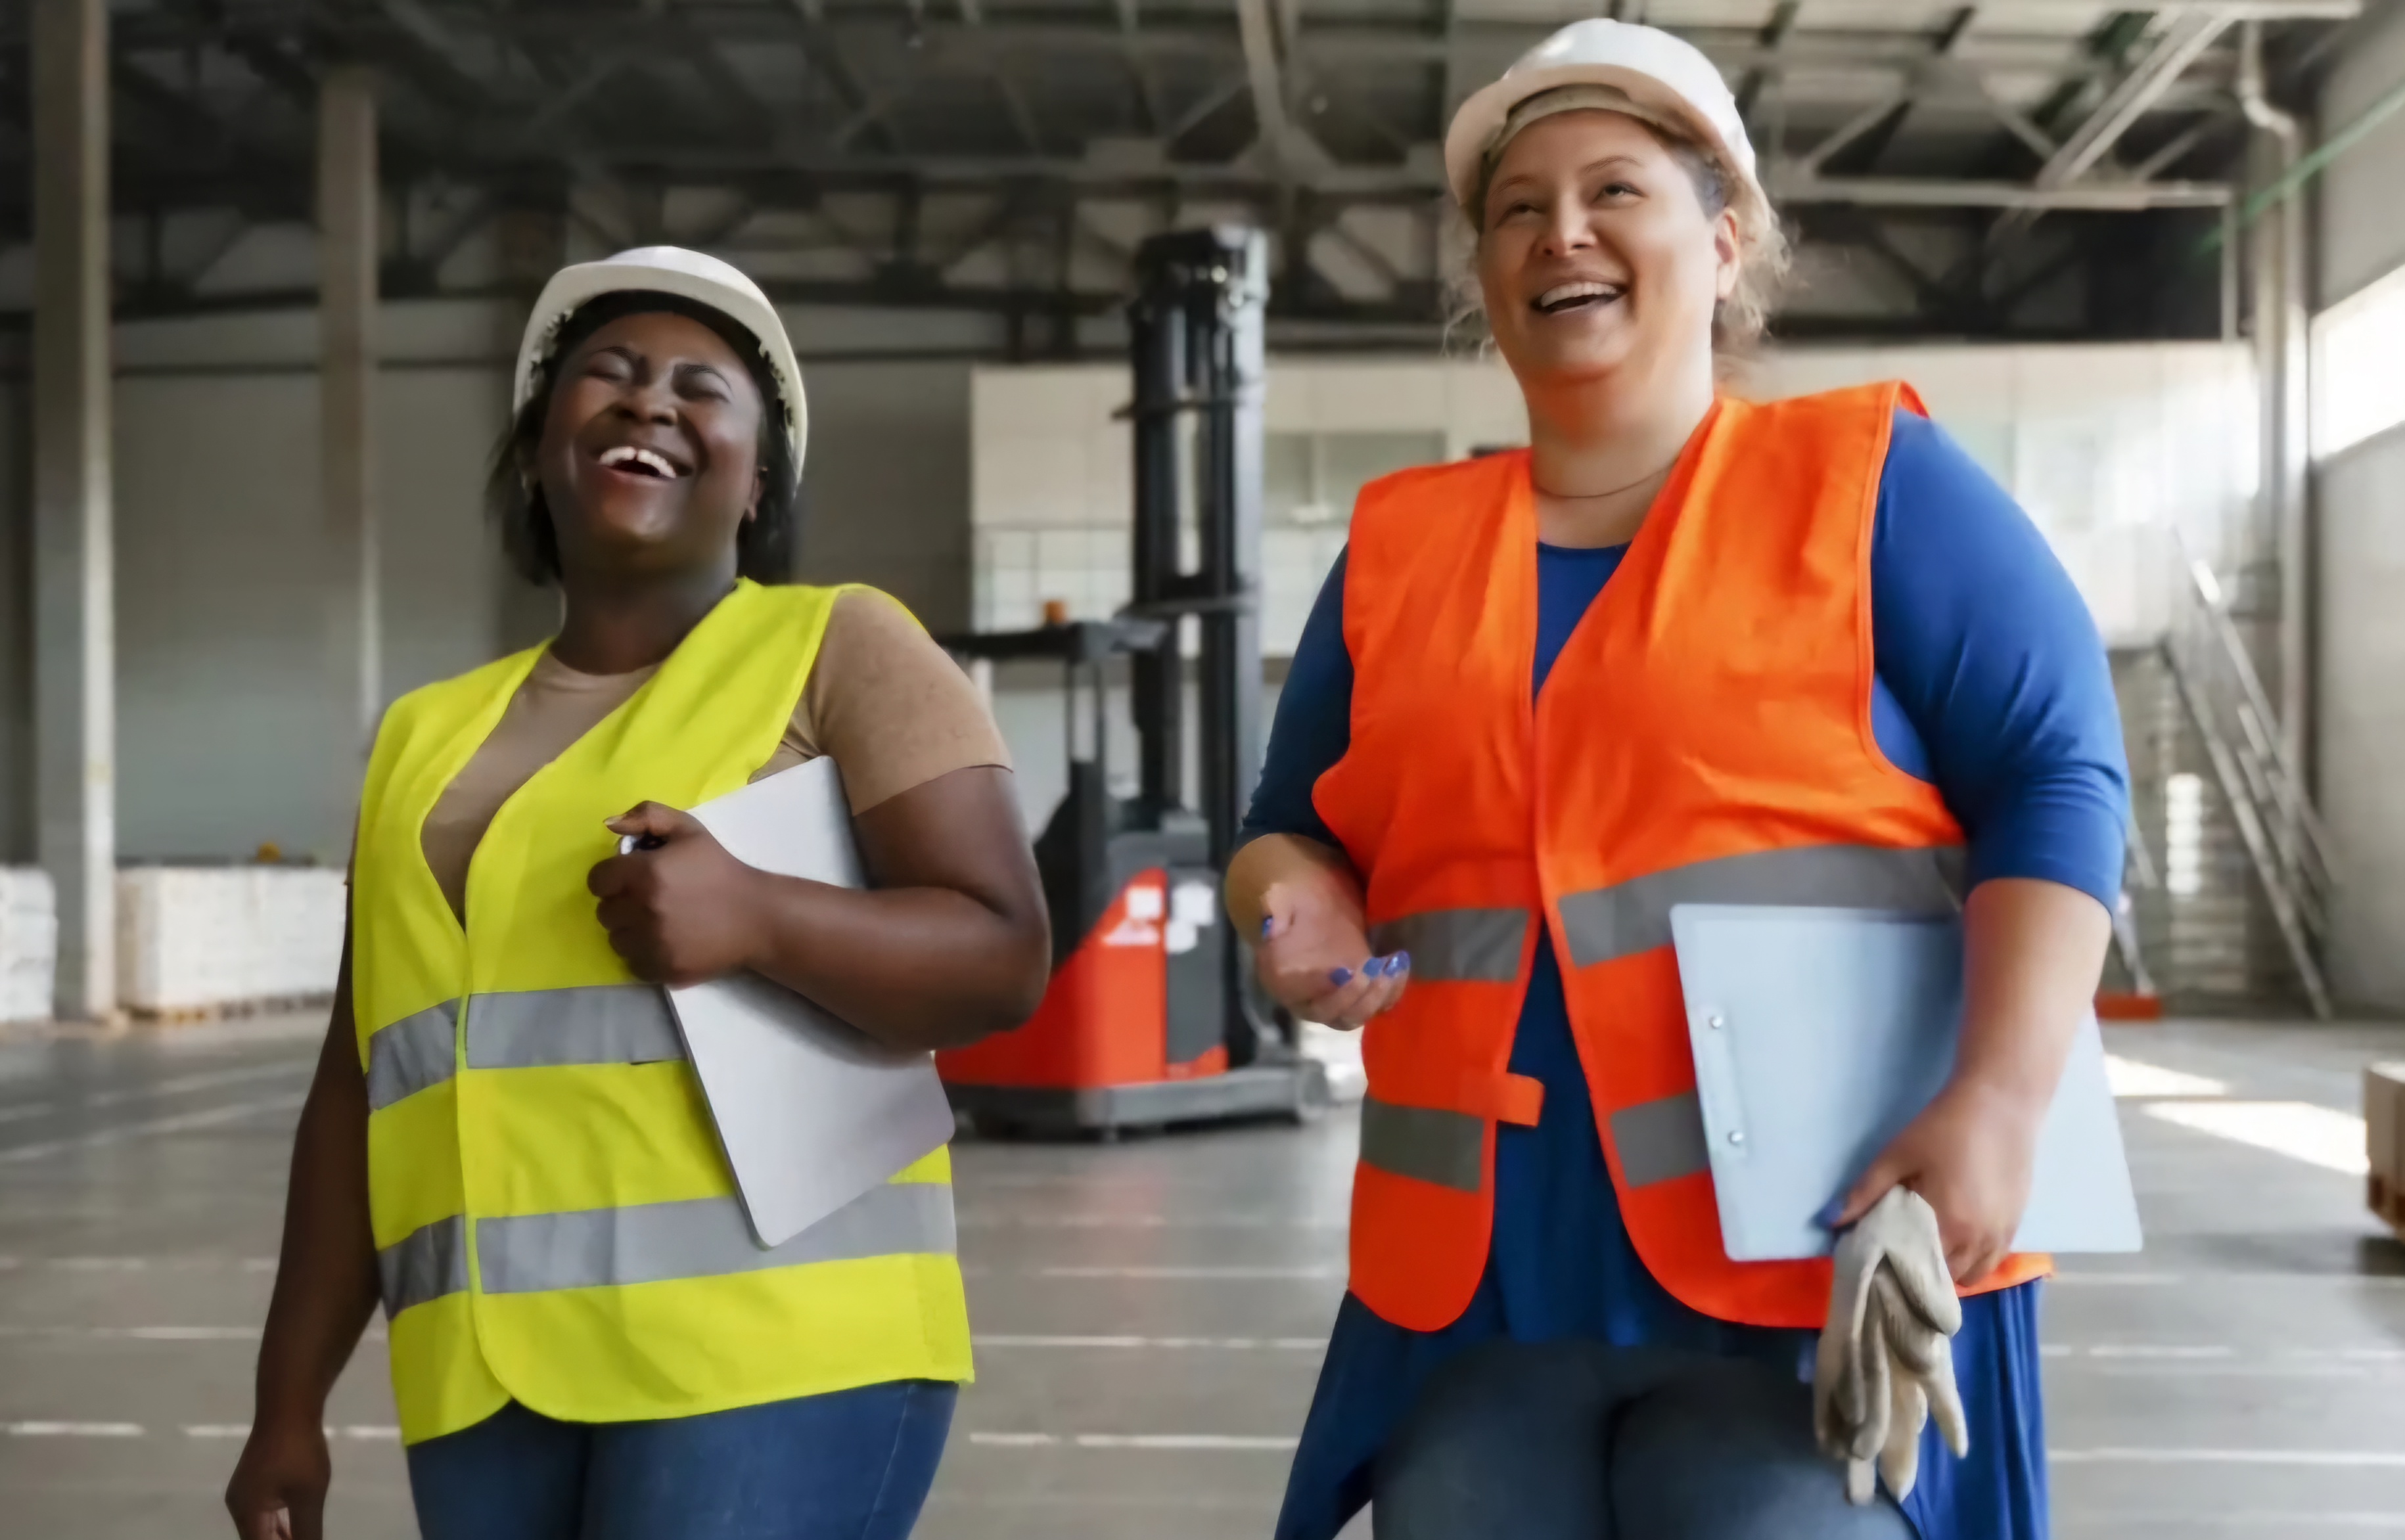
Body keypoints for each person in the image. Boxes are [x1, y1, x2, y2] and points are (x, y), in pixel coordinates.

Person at [1224, 20, 2126, 1540]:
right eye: (1516, 208)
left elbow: (2058, 768)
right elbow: (1286, 826)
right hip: (1483, 1297)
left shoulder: (1872, 484)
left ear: (1725, 241)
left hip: (1804, 1273)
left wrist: (2001, 1098)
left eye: (1613, 190)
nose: (1558, 231)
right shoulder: (1398, 548)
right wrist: (1288, 898)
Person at [224, 247, 1050, 1540]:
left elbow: (1004, 954)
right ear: (540, 445)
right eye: (607, 373)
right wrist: (288, 1399)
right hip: (483, 1379)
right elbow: (359, 1084)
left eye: (702, 388)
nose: (650, 401)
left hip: (775, 1351)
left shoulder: (837, 647)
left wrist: (763, 918)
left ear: (759, 474)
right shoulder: (419, 738)